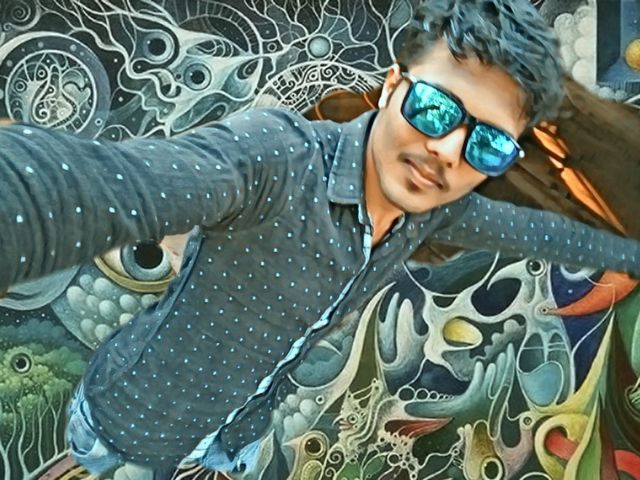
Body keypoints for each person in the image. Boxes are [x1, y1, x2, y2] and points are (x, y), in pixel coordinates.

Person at [0, 0, 637, 477]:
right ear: (393, 86)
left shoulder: (432, 213)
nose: (447, 150)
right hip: (130, 428)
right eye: (437, 109)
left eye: (488, 143)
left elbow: (542, 234)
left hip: (234, 438)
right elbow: (110, 185)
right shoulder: (276, 158)